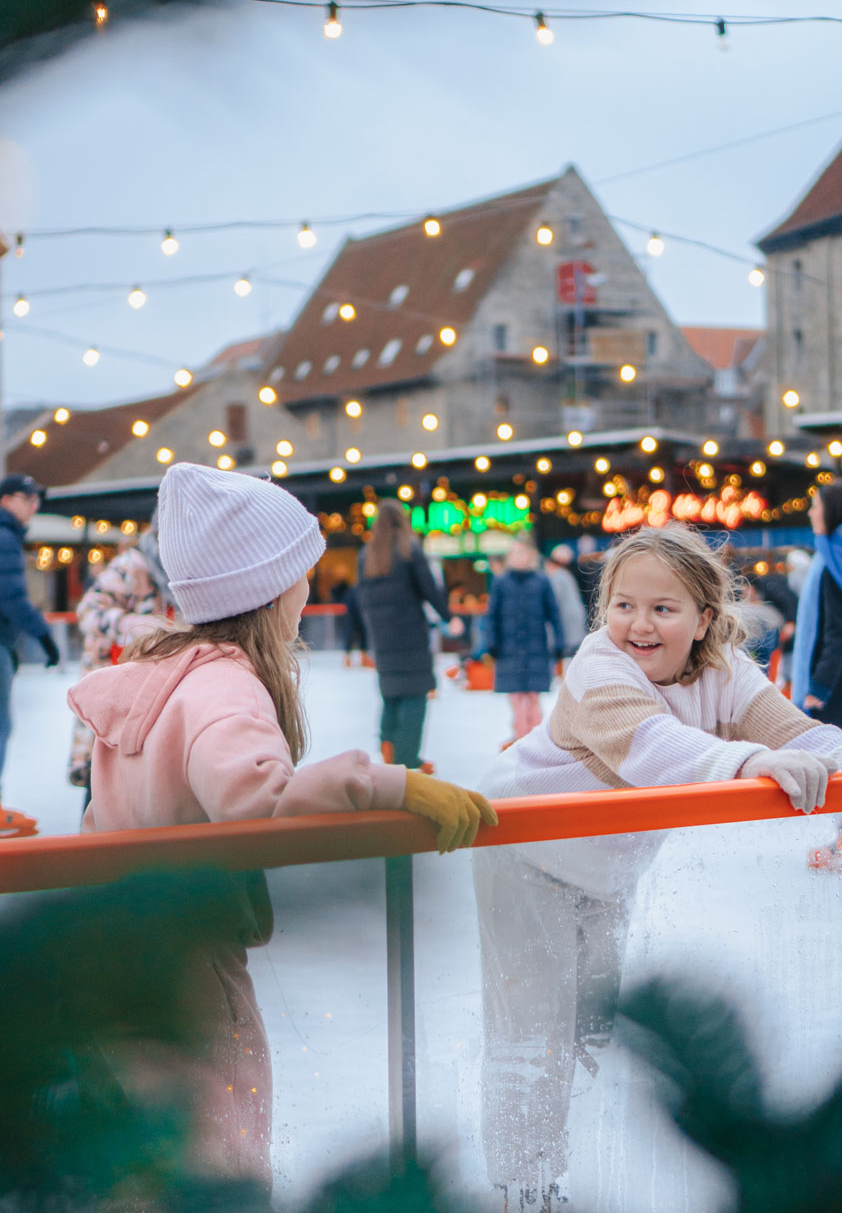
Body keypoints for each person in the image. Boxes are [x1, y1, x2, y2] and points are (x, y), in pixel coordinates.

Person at [66, 463, 497, 1190]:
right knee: (219, 1152)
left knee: (145, 1158)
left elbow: (93, 821)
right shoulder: (223, 686)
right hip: (190, 968)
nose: (310, 586)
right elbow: (258, 808)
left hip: (115, 954)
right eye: (301, 570)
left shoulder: (159, 674)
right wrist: (393, 782)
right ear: (267, 588)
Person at [471, 523, 842, 1205]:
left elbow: (795, 733)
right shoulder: (598, 667)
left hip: (606, 866)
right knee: (534, 1026)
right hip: (522, 848)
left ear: (704, 619)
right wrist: (748, 762)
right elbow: (652, 749)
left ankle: (558, 1145)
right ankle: (527, 1185)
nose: (638, 624)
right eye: (623, 604)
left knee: (594, 1025)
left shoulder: (726, 671)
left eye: (663, 608)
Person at [67, 512, 176, 803]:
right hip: (113, 685)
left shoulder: (180, 572)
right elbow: (88, 611)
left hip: (152, 689)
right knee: (104, 776)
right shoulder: (132, 565)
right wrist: (129, 625)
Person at [789, 480, 842, 872]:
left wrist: (816, 688)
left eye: (815, 505)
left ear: (832, 510)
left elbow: (838, 632)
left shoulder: (836, 556)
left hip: (840, 687)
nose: (810, 512)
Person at [355, 498, 461, 770]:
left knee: (391, 692)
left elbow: (361, 600)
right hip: (410, 635)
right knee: (415, 693)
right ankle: (406, 756)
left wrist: (369, 635)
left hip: (381, 639)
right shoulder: (408, 549)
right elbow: (429, 589)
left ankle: (387, 745)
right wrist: (450, 618)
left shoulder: (367, 555)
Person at [0, 473, 60, 809]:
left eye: (37, 499)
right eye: (28, 497)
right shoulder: (4, 536)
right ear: (6, 501)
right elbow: (10, 596)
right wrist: (44, 636)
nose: (34, 505)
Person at [484, 537, 564, 747]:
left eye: (522, 553)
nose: (519, 557)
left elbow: (554, 614)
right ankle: (521, 738)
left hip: (535, 648)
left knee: (533, 696)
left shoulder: (541, 581)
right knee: (516, 697)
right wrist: (491, 643)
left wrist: (559, 643)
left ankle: (536, 739)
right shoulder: (501, 582)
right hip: (508, 649)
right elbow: (491, 615)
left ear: (530, 556)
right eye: (515, 553)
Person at [544, 544, 587, 665]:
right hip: (575, 618)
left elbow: (554, 601)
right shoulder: (565, 574)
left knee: (569, 653)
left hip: (567, 620)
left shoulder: (557, 577)